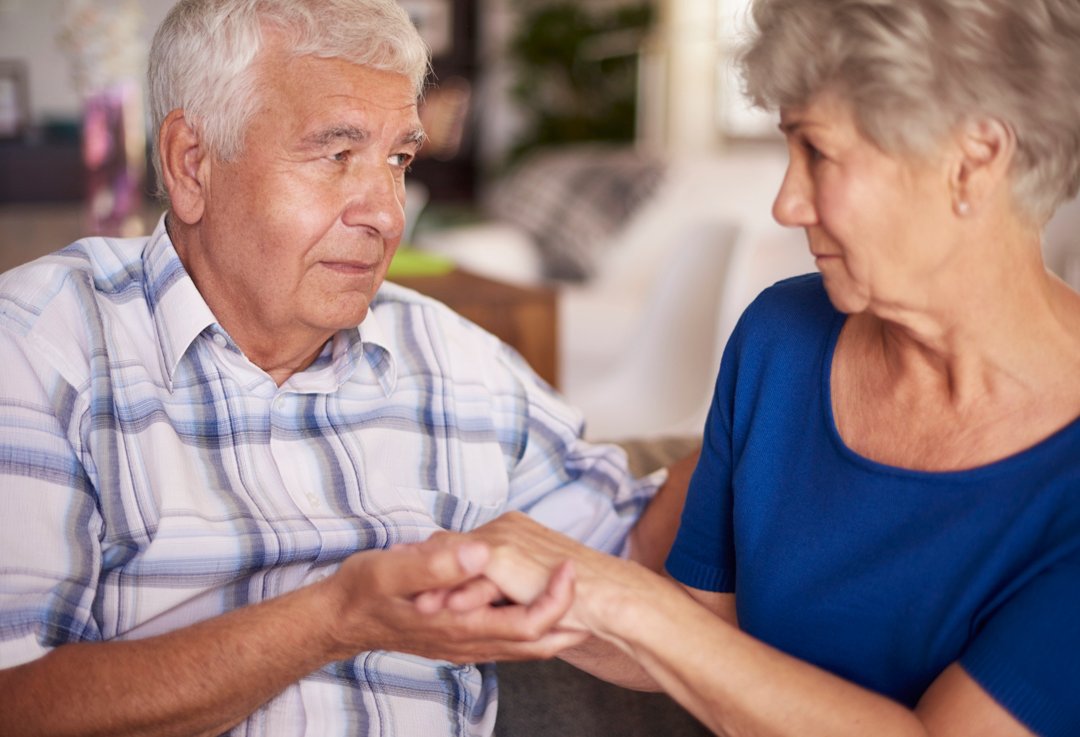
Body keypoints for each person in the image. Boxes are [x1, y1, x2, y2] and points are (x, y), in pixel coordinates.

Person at [0, 1, 697, 735]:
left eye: (397, 159)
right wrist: (334, 618)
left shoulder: (454, 360)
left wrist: (767, 396)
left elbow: (639, 565)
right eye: (336, 155)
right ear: (191, 163)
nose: (388, 215)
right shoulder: (42, 347)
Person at [457, 0, 1080, 735]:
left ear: (973, 160)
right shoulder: (782, 337)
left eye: (817, 152)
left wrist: (624, 599)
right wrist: (493, 587)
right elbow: (699, 639)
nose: (785, 204)